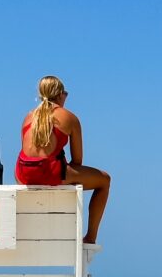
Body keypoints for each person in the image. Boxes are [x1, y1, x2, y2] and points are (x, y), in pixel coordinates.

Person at [15, 75, 111, 244]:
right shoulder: (69, 117)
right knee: (104, 180)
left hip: (22, 174)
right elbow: (78, 160)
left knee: (61, 171)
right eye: (65, 93)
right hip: (48, 172)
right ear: (59, 95)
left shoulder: (28, 117)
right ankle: (90, 237)